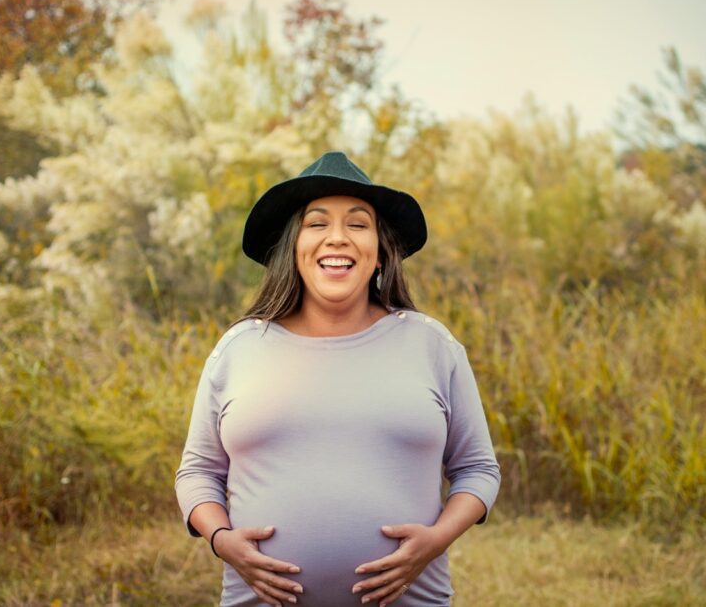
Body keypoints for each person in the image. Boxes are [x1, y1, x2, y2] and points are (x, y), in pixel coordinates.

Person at [175, 151, 501, 606]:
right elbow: (198, 473)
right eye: (317, 223)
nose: (337, 238)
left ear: (382, 250)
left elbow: (478, 470)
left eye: (357, 223)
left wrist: (437, 539)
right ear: (293, 246)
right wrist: (221, 539)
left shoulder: (431, 345)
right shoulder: (239, 349)